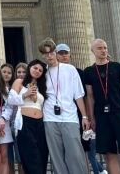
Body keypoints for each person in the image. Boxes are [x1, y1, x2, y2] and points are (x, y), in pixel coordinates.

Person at [83, 39, 120, 174]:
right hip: (101, 116)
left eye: (105, 48)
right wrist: (92, 118)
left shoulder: (117, 67)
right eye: (100, 48)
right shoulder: (89, 71)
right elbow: (90, 96)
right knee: (109, 155)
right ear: (93, 51)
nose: (103, 50)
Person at [39, 40, 89, 173]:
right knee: (56, 157)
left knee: (75, 155)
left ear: (55, 52)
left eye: (51, 52)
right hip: (49, 118)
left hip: (70, 116)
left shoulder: (70, 69)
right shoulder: (43, 72)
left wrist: (84, 116)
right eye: (46, 54)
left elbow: (78, 94)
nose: (49, 56)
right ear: (43, 55)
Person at [8, 60, 48, 174]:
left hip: (40, 124)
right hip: (25, 122)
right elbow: (10, 100)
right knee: (31, 158)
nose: (37, 71)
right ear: (29, 67)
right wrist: (25, 94)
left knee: (42, 156)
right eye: (35, 68)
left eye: (40, 70)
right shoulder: (19, 82)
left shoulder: (41, 86)